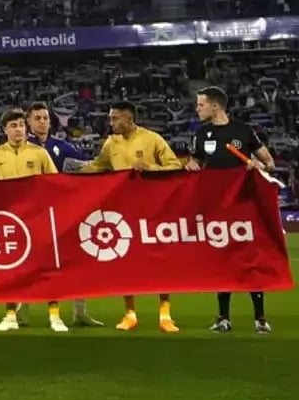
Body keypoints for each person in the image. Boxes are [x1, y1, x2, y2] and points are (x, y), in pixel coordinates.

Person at [82, 100, 183, 333]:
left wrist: (150, 168)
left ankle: (165, 315)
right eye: (110, 118)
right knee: (126, 263)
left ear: (129, 118)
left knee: (159, 262)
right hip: (123, 210)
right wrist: (68, 176)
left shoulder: (152, 139)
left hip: (153, 209)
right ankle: (130, 314)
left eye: (115, 118)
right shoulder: (111, 143)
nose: (111, 122)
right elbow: (99, 166)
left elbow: (174, 165)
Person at [185, 86, 276, 335]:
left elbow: (269, 163)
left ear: (215, 106)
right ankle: (223, 317)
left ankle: (260, 318)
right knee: (222, 261)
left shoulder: (243, 131)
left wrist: (259, 165)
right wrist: (191, 165)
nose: (197, 108)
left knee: (249, 260)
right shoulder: (202, 133)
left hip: (244, 205)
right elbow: (196, 162)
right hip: (217, 207)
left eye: (201, 104)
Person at [0, 109, 68, 334]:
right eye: (13, 126)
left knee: (46, 267)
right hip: (10, 219)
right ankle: (10, 316)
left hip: (37, 217)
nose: (18, 129)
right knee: (10, 270)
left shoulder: (39, 153)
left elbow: (55, 182)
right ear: (5, 130)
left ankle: (55, 316)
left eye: (20, 125)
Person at [25, 102, 101, 328]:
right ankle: (20, 310)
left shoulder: (61, 146)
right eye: (37, 118)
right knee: (30, 263)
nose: (42, 122)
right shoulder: (21, 147)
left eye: (45, 118)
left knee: (74, 260)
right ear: (29, 121)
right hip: (32, 213)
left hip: (61, 213)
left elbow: (87, 166)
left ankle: (80, 312)